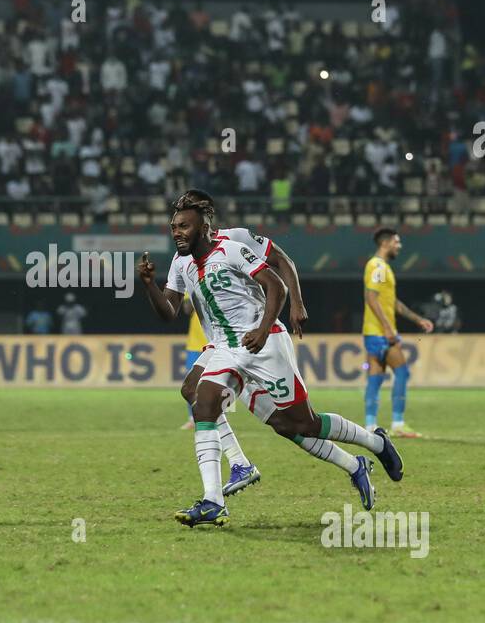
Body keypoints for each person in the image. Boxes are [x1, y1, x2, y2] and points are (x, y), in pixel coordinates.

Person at [137, 199, 404, 527]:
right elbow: (168, 313)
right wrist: (148, 284)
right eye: (174, 226)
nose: (177, 232)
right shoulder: (181, 264)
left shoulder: (233, 246)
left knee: (300, 423)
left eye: (184, 225)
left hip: (263, 344)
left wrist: (268, 325)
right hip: (224, 348)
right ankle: (213, 499)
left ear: (204, 226)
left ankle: (374, 443)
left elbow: (275, 280)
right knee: (200, 400)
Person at [171, 188, 308, 495]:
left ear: (206, 214)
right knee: (192, 392)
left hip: (250, 336)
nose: (181, 219)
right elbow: (172, 303)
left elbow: (281, 261)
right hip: (219, 340)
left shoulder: (237, 239)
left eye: (190, 209)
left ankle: (358, 451)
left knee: (293, 421)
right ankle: (239, 465)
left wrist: (297, 304)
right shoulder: (185, 255)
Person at [362, 227, 434, 437]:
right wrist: (386, 327)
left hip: (371, 331)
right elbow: (371, 298)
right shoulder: (377, 266)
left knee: (375, 377)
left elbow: (391, 302)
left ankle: (370, 426)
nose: (399, 246)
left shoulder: (381, 267)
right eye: (396, 242)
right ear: (385, 243)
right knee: (402, 372)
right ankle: (398, 424)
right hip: (380, 332)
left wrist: (417, 319)